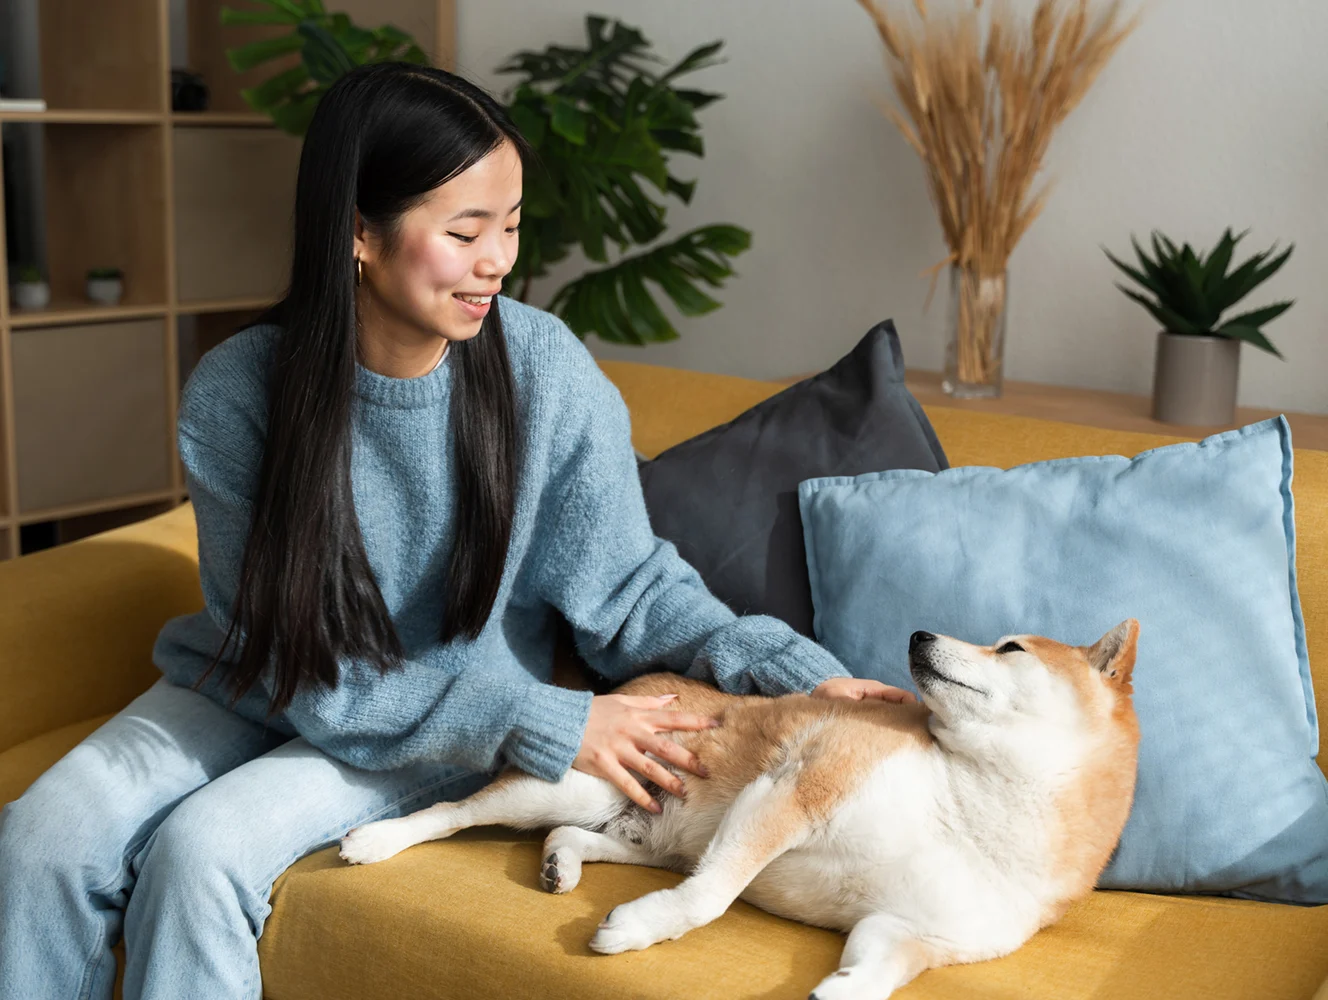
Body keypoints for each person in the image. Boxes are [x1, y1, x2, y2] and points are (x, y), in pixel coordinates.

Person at [0, 63, 911, 999]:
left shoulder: (542, 373)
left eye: (510, 226)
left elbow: (629, 589)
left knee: (200, 855)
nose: (498, 261)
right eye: (465, 230)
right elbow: (303, 662)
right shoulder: (236, 396)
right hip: (275, 674)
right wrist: (549, 720)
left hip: (443, 709)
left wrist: (790, 673)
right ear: (357, 232)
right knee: (37, 841)